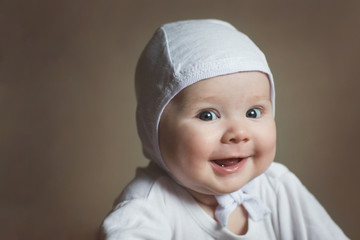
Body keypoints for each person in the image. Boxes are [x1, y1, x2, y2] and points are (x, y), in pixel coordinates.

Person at [100, 19, 349, 239]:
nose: (238, 133)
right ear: (154, 129)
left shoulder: (277, 186)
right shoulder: (146, 210)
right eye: (207, 115)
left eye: (253, 112)